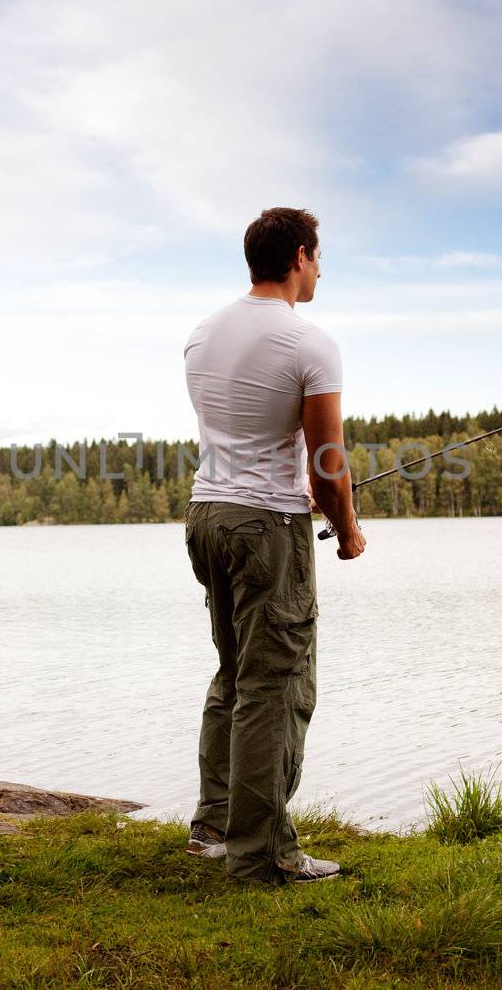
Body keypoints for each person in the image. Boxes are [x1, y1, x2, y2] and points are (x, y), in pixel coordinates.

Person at [181, 206, 367, 884]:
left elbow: (245, 432)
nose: (320, 269)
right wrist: (347, 529)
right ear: (297, 256)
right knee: (275, 684)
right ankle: (263, 856)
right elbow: (327, 457)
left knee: (234, 672)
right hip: (266, 530)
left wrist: (302, 483)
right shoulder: (308, 342)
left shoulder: (204, 334)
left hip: (208, 515)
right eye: (318, 257)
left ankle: (214, 824)